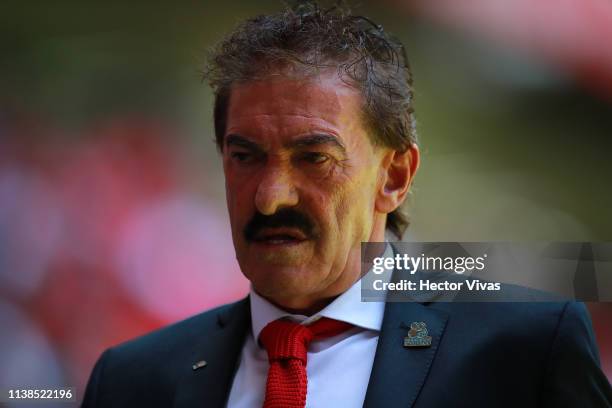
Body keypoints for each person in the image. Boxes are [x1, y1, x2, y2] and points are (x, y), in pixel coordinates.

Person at [82, 2, 612, 407]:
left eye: (314, 158)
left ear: (395, 176)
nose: (270, 197)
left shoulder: (526, 349)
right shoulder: (133, 380)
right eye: (245, 157)